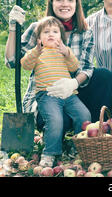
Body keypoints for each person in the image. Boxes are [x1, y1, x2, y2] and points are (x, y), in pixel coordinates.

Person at [5, 0, 112, 151]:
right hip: (46, 95)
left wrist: (73, 83)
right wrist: (13, 28)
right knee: (57, 118)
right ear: (51, 3)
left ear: (76, 4)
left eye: (70, 0)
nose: (65, 4)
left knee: (103, 76)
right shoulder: (38, 29)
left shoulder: (85, 32)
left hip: (73, 95)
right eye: (59, 0)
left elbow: (86, 68)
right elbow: (12, 61)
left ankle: (92, 136)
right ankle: (55, 140)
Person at [20, 16, 91, 167]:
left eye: (55, 32)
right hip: (48, 94)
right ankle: (50, 153)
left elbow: (74, 67)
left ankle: (78, 147)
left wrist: (67, 53)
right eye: (46, 32)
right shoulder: (37, 53)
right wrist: (36, 51)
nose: (51, 34)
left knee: (84, 115)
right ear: (39, 38)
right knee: (55, 120)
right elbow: (25, 64)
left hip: (68, 94)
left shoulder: (64, 51)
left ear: (61, 36)